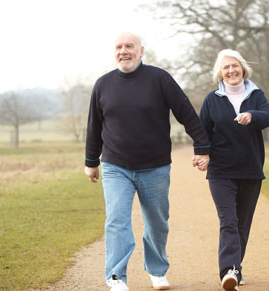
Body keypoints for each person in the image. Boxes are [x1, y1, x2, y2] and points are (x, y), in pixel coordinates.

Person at [84, 32, 210, 291]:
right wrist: (91, 161)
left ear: (142, 51)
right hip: (115, 165)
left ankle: (157, 271)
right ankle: (116, 276)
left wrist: (202, 147)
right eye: (118, 47)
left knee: (156, 221)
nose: (123, 51)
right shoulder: (103, 84)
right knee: (117, 219)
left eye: (129, 46)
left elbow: (185, 112)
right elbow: (94, 126)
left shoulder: (160, 79)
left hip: (155, 166)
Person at [198, 49, 269, 291]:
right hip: (221, 171)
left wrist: (252, 115)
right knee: (228, 220)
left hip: (251, 169)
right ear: (220, 73)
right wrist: (201, 154)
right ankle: (228, 270)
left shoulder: (256, 94)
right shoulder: (212, 99)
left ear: (243, 68)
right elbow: (202, 131)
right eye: (226, 67)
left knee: (242, 223)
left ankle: (235, 269)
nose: (231, 70)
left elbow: (268, 117)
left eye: (234, 66)